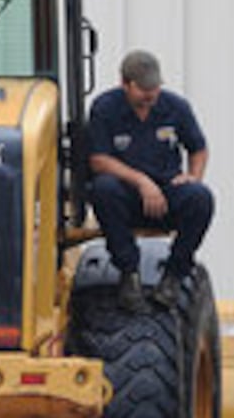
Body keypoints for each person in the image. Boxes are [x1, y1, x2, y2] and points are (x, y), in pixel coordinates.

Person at [88, 49, 214, 313]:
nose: (150, 95)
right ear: (125, 84)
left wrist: (193, 176)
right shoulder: (105, 108)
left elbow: (199, 149)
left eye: (155, 88)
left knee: (201, 198)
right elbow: (98, 160)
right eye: (143, 89)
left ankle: (174, 276)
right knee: (103, 188)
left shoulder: (176, 107)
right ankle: (128, 274)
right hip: (127, 197)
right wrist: (141, 181)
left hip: (167, 193)